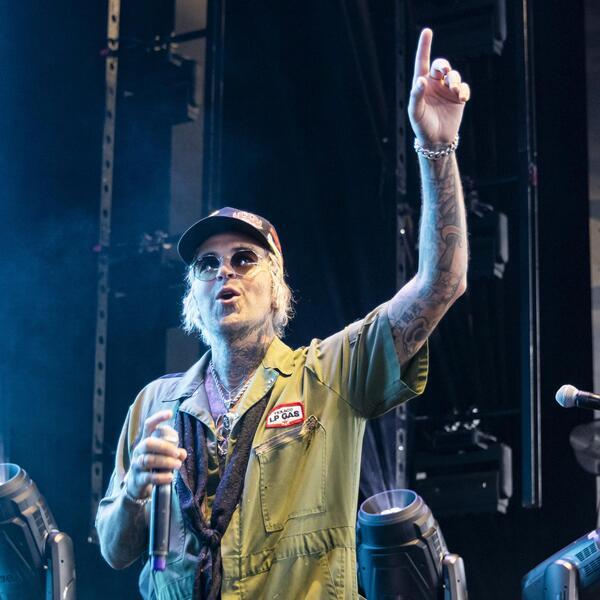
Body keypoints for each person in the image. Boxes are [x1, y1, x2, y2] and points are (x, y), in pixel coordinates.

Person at [96, 27, 470, 599]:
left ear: (277, 287)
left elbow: (442, 283)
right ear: (192, 297)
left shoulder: (330, 374)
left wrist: (436, 149)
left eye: (244, 258)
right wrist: (133, 492)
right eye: (206, 265)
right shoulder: (155, 405)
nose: (224, 272)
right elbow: (114, 551)